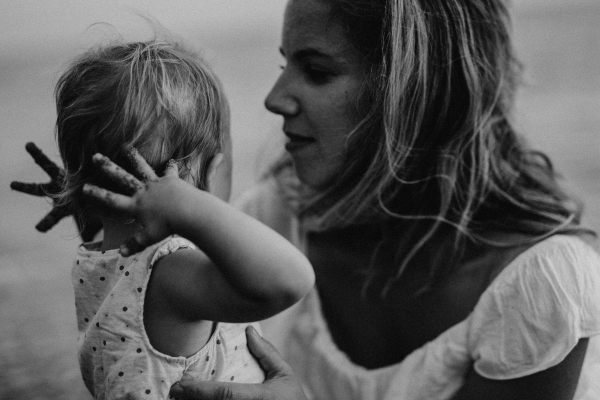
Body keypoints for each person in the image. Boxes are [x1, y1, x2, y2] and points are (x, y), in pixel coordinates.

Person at [12, 0, 600, 399]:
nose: (273, 98)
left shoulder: (544, 284)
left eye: (314, 71)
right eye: (283, 64)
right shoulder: (285, 211)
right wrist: (100, 200)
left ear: (414, 92)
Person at [12, 39, 314, 399]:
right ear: (207, 173)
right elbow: (290, 280)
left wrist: (83, 201)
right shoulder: (170, 271)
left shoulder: (100, 260)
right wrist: (189, 206)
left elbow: (126, 268)